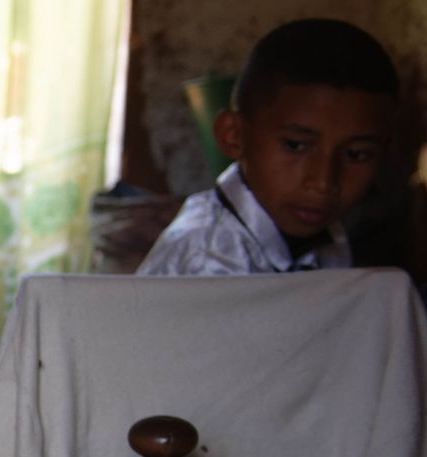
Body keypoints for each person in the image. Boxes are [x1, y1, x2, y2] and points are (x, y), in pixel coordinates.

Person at [137, 19, 398, 276]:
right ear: (234, 136)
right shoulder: (207, 263)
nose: (323, 181)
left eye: (357, 154)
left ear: (384, 154)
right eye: (295, 145)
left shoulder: (327, 239)